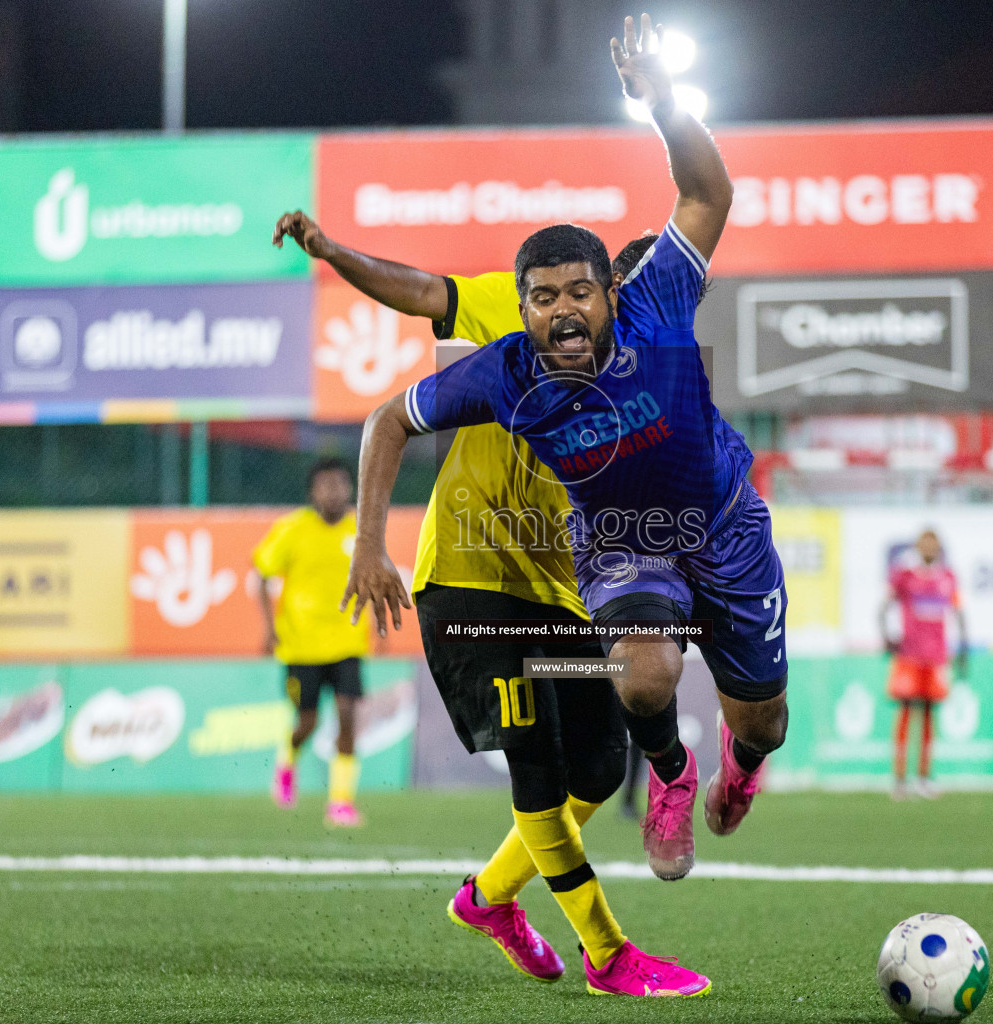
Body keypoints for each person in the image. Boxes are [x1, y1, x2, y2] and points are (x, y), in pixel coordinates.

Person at [344, 13, 789, 891]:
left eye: (579, 290)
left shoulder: (656, 301)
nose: (562, 310)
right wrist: (368, 542)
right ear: (523, 309)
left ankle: (742, 764)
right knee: (644, 676)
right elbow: (387, 419)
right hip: (623, 540)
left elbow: (708, 198)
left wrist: (662, 101)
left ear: (609, 293)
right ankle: (670, 774)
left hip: (725, 529)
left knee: (766, 720)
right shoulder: (504, 371)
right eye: (542, 298)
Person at [271, 176, 707, 997]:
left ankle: (489, 899)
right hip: (472, 582)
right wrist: (332, 253)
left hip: (562, 596)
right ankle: (609, 955)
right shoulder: (515, 323)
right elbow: (417, 303)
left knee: (600, 771)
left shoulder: (660, 382)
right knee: (535, 762)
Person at [253, 458, 370, 825]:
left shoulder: (362, 532)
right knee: (307, 721)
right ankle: (287, 764)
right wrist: (269, 628)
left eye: (340, 484)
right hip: (301, 645)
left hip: (347, 641)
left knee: (348, 716)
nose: (333, 491)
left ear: (350, 489)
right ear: (312, 492)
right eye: (325, 485)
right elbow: (260, 574)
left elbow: (375, 576)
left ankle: (340, 802)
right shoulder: (292, 530)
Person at [880, 529, 968, 800]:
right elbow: (883, 606)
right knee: (906, 713)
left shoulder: (947, 578)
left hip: (936, 657)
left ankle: (923, 777)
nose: (929, 548)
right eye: (925, 543)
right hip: (909, 655)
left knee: (930, 715)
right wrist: (886, 636)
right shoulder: (905, 576)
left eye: (934, 544)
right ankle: (899, 779)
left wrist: (963, 646)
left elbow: (958, 612)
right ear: (918, 546)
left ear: (938, 547)